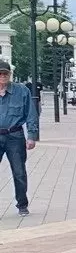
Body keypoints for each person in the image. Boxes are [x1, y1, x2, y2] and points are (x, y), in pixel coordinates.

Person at [0, 60, 39, 216]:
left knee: (19, 172)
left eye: (5, 73)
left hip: (14, 136)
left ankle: (22, 204)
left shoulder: (21, 91)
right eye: (0, 74)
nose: (2, 76)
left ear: (10, 75)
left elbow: (31, 114)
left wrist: (32, 136)